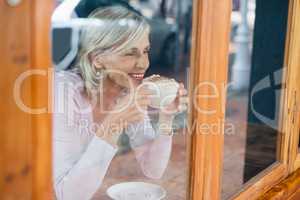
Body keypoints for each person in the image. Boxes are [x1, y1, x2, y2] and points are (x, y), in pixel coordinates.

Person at [53, 5, 188, 200]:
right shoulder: (63, 92)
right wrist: (115, 122)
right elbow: (67, 195)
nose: (143, 63)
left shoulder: (126, 91)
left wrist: (166, 117)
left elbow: (153, 169)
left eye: (145, 51)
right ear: (97, 59)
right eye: (130, 53)